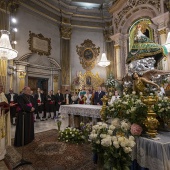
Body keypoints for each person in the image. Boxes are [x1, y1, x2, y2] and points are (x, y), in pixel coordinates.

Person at [0, 85, 11, 160]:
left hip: (2, 118)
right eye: (0, 87)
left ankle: (2, 151)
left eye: (2, 87)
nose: (1, 89)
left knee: (2, 135)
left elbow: (7, 106)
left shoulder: (3, 96)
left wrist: (7, 107)